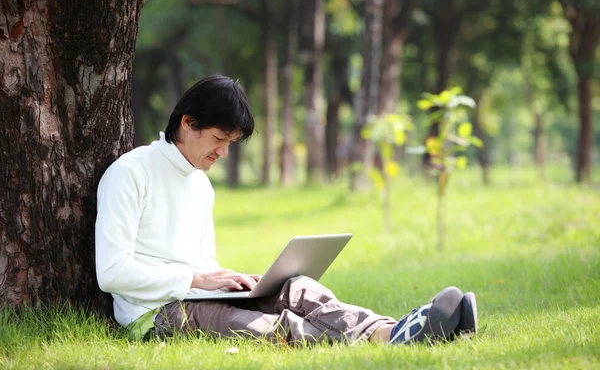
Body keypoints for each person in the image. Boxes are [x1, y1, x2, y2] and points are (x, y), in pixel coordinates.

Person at [95, 74, 478, 345]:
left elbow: (201, 263)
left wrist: (232, 279)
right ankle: (398, 337)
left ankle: (397, 329)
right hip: (153, 312)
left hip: (195, 293)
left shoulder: (200, 183)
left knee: (297, 288)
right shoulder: (131, 173)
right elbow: (111, 273)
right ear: (188, 123)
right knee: (264, 324)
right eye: (218, 139)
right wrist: (197, 279)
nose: (223, 153)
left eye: (230, 143)